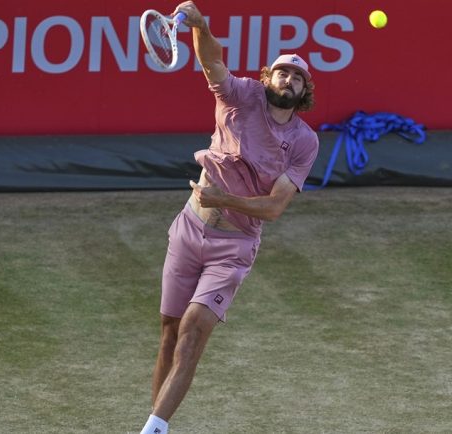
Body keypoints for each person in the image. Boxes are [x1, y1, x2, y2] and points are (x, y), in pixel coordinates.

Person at [139, 2, 320, 433]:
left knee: (194, 329)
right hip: (189, 228)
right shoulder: (240, 95)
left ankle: (152, 429)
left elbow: (274, 208)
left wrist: (225, 200)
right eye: (283, 72)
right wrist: (199, 24)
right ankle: (157, 422)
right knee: (169, 330)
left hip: (233, 248)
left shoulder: (303, 142)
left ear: (304, 91)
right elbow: (212, 60)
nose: (289, 80)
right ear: (267, 78)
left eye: (298, 77)